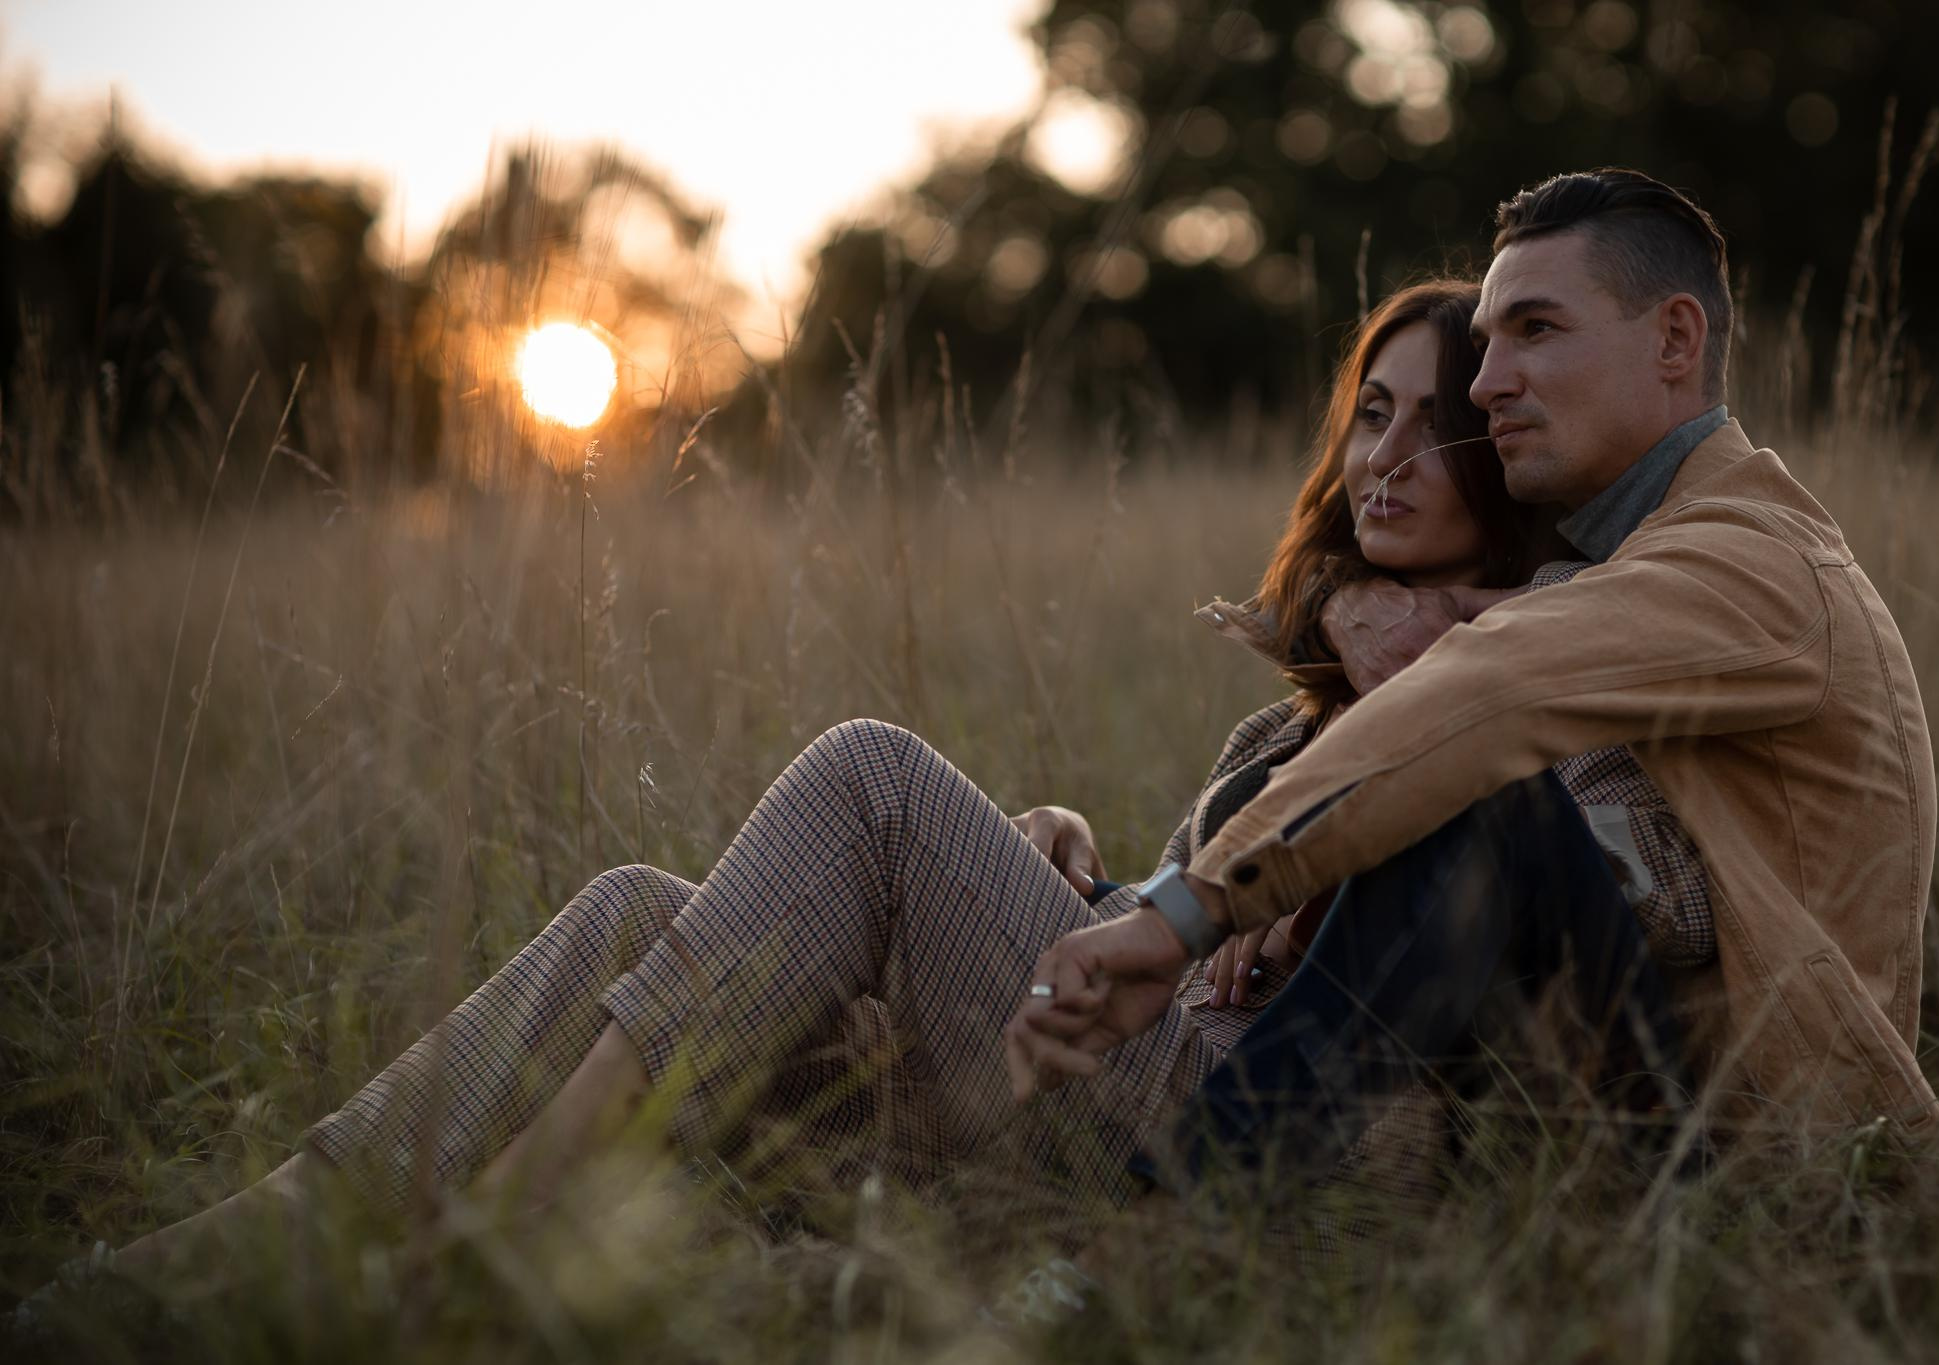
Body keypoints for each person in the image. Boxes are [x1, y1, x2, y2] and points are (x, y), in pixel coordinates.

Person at [84, 276, 1701, 1296]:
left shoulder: (1549, 673)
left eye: (1437, 427)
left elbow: (1622, 914)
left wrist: (1411, 699)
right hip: (1094, 1109)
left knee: (867, 779)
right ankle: (238, 1249)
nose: (1386, 458)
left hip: (1273, 1178)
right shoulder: (1265, 745)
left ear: (1504, 462)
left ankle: (488, 1248)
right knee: (637, 906)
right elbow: (1147, 967)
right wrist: (1059, 888)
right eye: (1367, 415)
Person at [1005, 169, 1939, 1195]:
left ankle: (1168, 1221)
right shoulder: (1634, 559)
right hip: (1592, 1107)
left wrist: (1192, 909)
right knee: (888, 784)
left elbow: (1489, 689)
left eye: (1536, 329)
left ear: (1674, 341)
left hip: (1765, 1169)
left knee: (1480, 808)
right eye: (1490, 338)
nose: (1485, 382)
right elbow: (1486, 641)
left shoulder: (1749, 558)